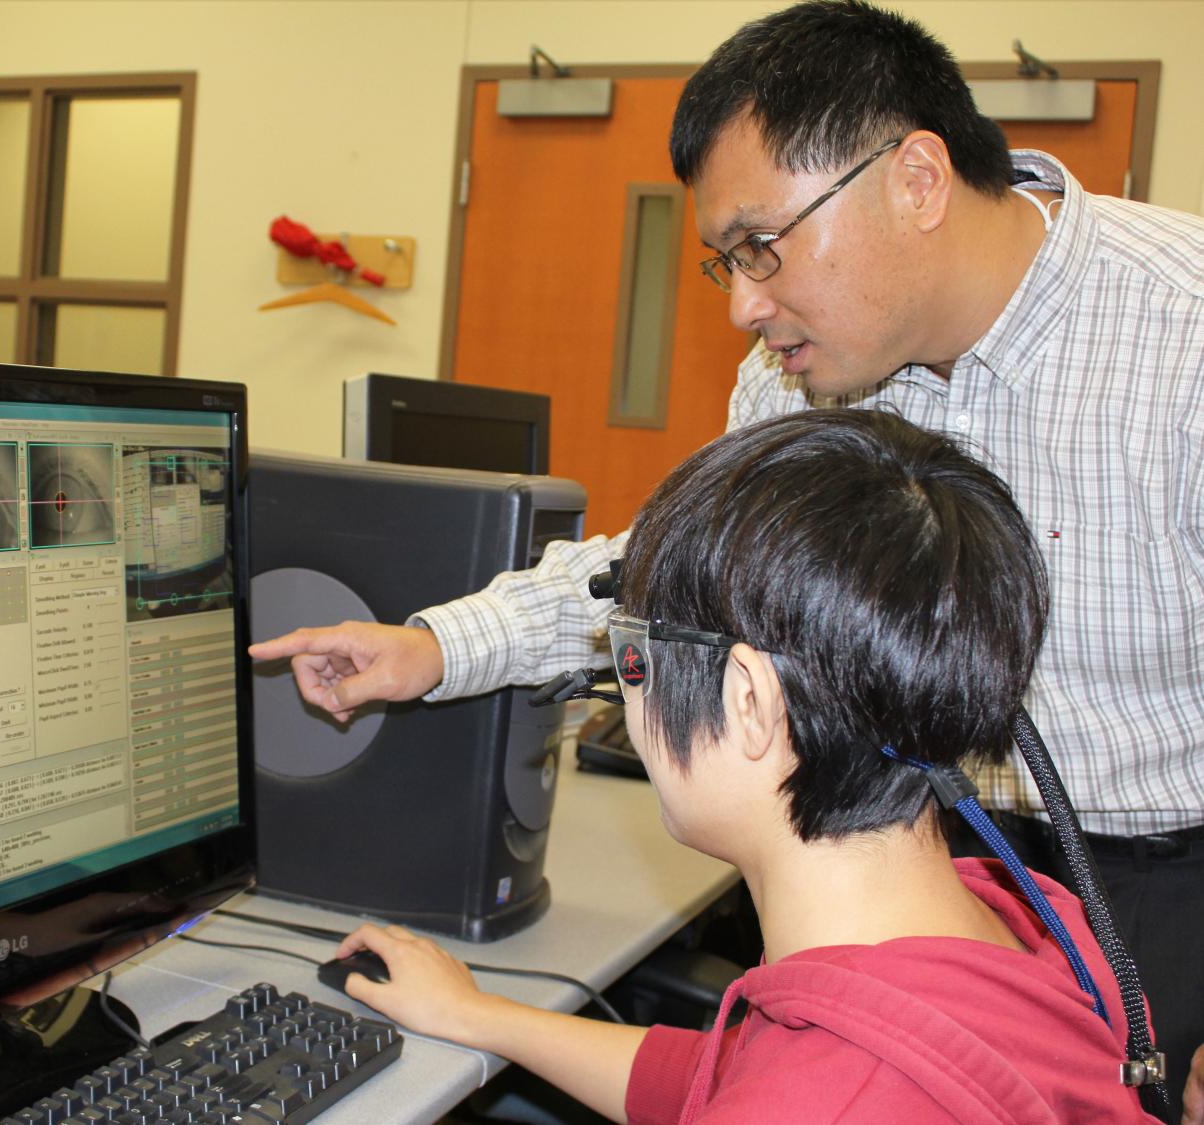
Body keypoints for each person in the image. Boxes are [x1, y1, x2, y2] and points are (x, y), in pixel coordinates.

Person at [250, 1, 1204, 1114]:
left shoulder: (1179, 333)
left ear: (917, 180)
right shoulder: (804, 366)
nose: (746, 305)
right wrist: (435, 646)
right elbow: (679, 570)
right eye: (723, 263)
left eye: (763, 246)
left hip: (1163, 878)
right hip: (944, 859)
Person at [324, 409, 1152, 1122]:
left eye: (632, 659)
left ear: (750, 701)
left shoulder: (831, 1094)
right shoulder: (1016, 922)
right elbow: (732, 1076)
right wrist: (483, 1016)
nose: (624, 698)